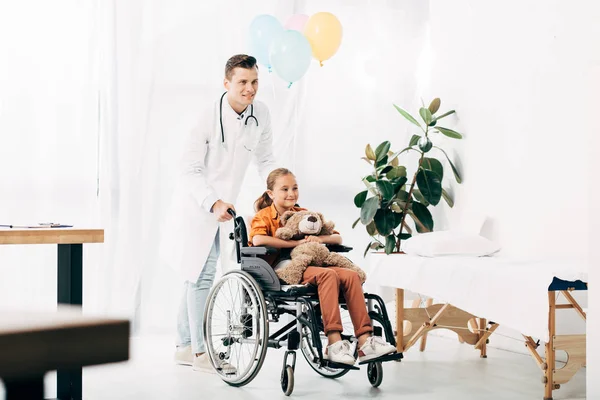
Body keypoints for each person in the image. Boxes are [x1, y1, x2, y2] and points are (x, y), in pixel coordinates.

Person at [160, 54, 278, 373]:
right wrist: (212, 202)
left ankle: (184, 347)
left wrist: (278, 187)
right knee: (199, 274)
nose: (250, 89)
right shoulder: (205, 117)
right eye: (242, 82)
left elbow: (265, 159)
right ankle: (202, 353)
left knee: (195, 274)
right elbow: (189, 169)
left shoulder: (261, 114)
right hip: (196, 206)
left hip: (223, 207)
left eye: (254, 82)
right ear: (226, 83)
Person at [248, 168, 396, 365]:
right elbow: (258, 239)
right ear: (270, 194)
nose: (291, 193)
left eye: (294, 188)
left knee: (350, 276)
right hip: (283, 269)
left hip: (312, 263)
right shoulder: (264, 216)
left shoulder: (304, 214)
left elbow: (337, 237)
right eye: (284, 189)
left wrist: (318, 238)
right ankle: (334, 343)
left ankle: (365, 341)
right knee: (328, 275)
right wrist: (296, 244)